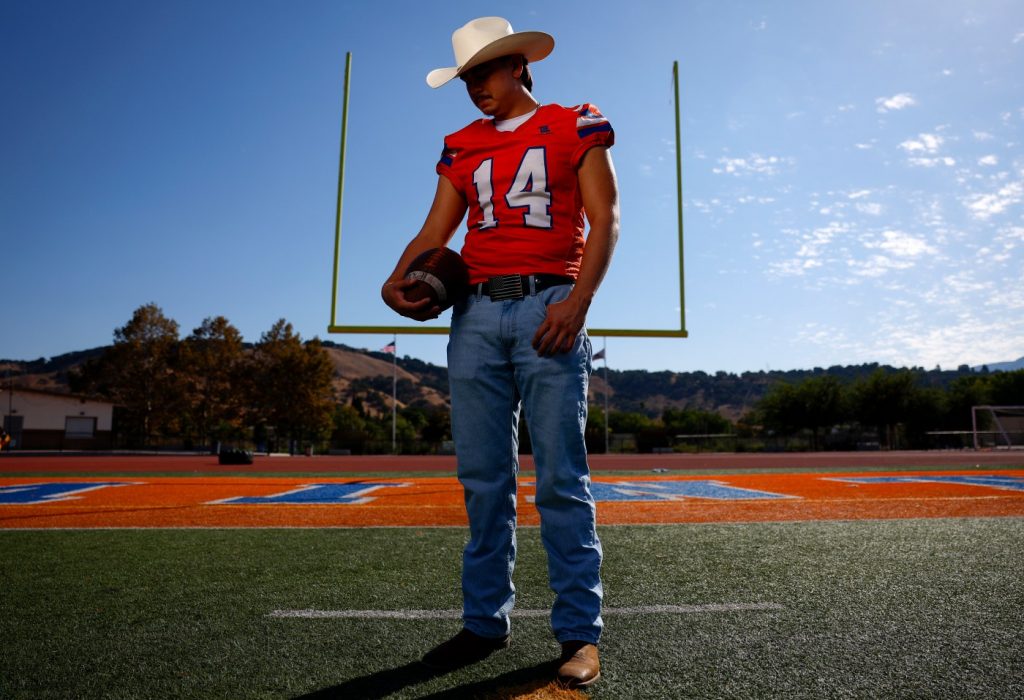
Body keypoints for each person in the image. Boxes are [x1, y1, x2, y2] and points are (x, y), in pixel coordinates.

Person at [381, 16, 619, 688]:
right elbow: (436, 228)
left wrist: (578, 303)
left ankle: (580, 633)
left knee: (560, 481)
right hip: (476, 313)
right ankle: (485, 621)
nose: (475, 87)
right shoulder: (460, 145)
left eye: (484, 72)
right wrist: (394, 278)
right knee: (484, 481)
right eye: (465, 78)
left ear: (517, 64)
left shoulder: (577, 123)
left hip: (549, 304)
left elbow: (607, 217)